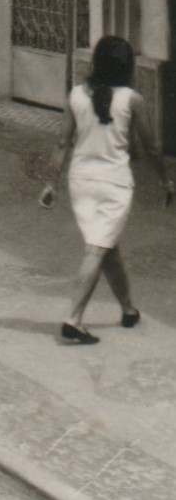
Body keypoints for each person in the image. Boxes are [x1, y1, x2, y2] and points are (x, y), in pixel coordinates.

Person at [58, 36, 159, 343]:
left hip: (80, 183)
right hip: (114, 185)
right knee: (97, 247)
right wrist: (166, 180)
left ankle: (128, 309)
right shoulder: (132, 99)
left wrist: (48, 182)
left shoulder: (76, 95)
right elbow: (151, 146)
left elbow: (63, 142)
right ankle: (73, 320)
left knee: (107, 247)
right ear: (128, 66)